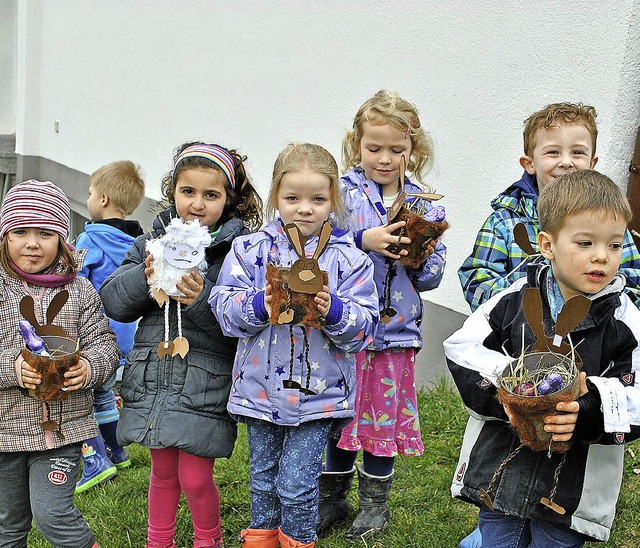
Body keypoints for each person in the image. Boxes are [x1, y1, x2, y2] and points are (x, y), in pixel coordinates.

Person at [444, 170, 640, 546]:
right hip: (503, 470)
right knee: (497, 538)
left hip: (569, 490)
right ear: (547, 244)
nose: (602, 255)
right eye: (585, 242)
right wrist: (515, 385)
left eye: (615, 245)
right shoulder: (516, 299)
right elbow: (461, 348)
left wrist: (589, 406)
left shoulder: (625, 321)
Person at [209, 143, 378, 548]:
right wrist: (257, 304)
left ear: (333, 199)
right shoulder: (250, 250)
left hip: (318, 396)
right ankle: (262, 540)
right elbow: (223, 308)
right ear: (275, 197)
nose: (305, 209)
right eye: (293, 198)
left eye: (318, 199)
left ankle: (298, 539)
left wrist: (334, 310)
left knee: (296, 483)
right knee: (263, 478)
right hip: (260, 389)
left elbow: (366, 329)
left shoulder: (349, 260)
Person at [100, 142, 263, 548]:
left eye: (211, 195)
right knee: (162, 473)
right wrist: (146, 275)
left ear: (229, 201)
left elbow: (238, 325)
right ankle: (160, 542)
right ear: (173, 192)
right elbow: (113, 302)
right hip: (154, 377)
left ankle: (208, 540)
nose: (197, 203)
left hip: (202, 383)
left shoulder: (235, 254)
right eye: (188, 191)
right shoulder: (150, 242)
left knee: (194, 476)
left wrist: (200, 298)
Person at [318, 90, 447, 541]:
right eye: (375, 148)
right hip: (344, 330)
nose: (385, 158)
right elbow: (320, 250)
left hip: (396, 333)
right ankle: (331, 500)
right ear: (357, 145)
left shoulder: (426, 201)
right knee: (340, 416)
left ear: (414, 149)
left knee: (381, 419)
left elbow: (432, 275)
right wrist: (361, 241)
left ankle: (375, 506)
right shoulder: (338, 194)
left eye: (397, 149)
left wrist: (419, 254)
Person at [0, 180, 120, 547]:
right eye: (20, 231)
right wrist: (10, 367)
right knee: (7, 524)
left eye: (45, 232)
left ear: (63, 238)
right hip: (4, 431)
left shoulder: (80, 290)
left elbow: (105, 345)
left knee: (53, 514)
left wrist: (90, 368)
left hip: (62, 432)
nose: (32, 243)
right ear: (4, 235)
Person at [458, 102, 640, 312]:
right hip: (518, 334)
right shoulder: (505, 221)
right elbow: (476, 278)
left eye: (578, 152)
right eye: (553, 152)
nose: (566, 162)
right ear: (530, 163)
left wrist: (601, 308)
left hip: (591, 336)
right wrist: (527, 306)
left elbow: (634, 282)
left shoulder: (607, 221)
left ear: (592, 162)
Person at [75, 160, 145, 493]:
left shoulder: (89, 241)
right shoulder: (138, 242)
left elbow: (73, 283)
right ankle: (117, 451)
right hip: (126, 336)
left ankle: (95, 460)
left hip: (92, 338)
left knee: (82, 397)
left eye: (89, 193)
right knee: (104, 394)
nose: (87, 198)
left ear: (102, 199)